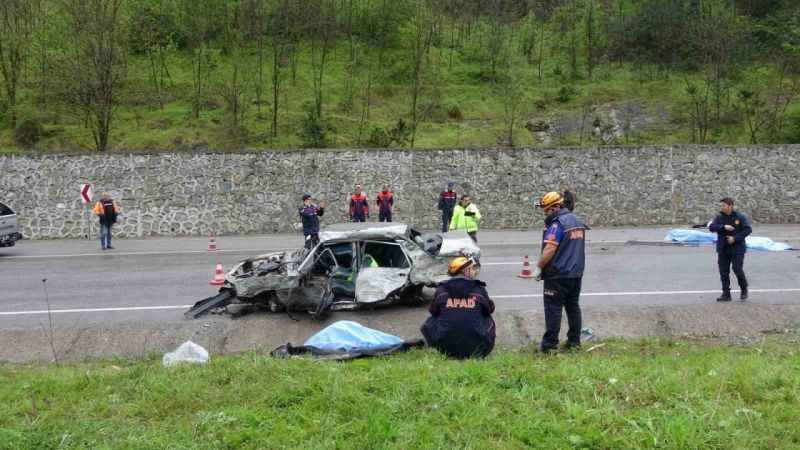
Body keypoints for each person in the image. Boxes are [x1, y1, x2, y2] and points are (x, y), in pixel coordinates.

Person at [532, 191, 587, 353]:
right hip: (576, 273)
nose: (546, 213)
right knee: (573, 307)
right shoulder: (577, 221)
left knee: (553, 310)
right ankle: (574, 342)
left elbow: (549, 248)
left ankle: (549, 346)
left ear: (555, 207)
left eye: (547, 210)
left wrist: (539, 267)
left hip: (557, 275)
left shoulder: (557, 224)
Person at [421, 255, 495, 359]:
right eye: (472, 269)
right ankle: (480, 350)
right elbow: (490, 309)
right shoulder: (479, 290)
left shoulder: (441, 290)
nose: (474, 271)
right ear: (466, 271)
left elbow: (433, 311)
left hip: (446, 348)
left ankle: (441, 348)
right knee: (487, 317)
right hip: (478, 348)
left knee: (431, 320)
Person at [708, 197, 752, 301]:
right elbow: (712, 227)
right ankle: (726, 294)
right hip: (723, 248)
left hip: (737, 248)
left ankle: (744, 288)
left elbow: (748, 230)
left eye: (723, 205)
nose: (722, 207)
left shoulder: (740, 217)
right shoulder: (719, 217)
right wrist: (723, 227)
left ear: (730, 206)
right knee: (723, 271)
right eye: (721, 205)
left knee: (737, 268)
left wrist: (735, 238)